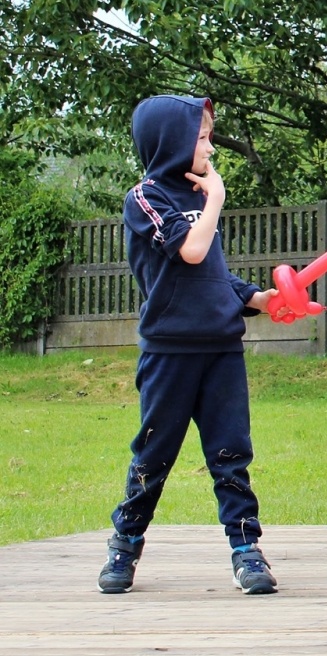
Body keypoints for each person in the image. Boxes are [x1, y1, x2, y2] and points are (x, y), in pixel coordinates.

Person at [98, 95, 280, 596]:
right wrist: (216, 199)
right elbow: (192, 251)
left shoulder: (200, 198)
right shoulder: (146, 198)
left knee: (231, 454)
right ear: (171, 141)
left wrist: (259, 299)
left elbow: (214, 276)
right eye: (201, 137)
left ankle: (246, 551)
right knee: (154, 453)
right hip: (169, 352)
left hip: (221, 348)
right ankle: (125, 543)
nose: (209, 146)